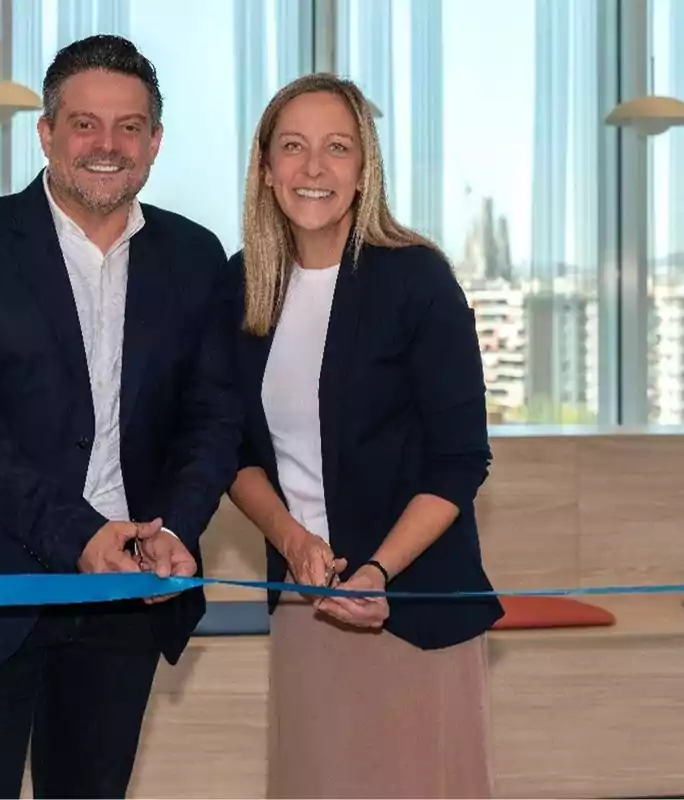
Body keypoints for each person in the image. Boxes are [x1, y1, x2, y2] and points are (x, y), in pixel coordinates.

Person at [0, 34, 242, 799]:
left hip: (126, 593)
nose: (107, 145)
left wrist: (178, 530)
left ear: (155, 141)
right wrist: (78, 534)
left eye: (129, 126)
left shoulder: (194, 256)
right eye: (85, 123)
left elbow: (215, 418)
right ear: (47, 132)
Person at [227, 73, 504, 799]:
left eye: (336, 148)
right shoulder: (243, 285)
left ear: (363, 167)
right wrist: (292, 541)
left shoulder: (417, 280)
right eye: (293, 147)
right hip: (303, 603)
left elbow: (458, 460)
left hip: (409, 607)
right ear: (265, 167)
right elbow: (234, 453)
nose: (314, 168)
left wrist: (377, 570)